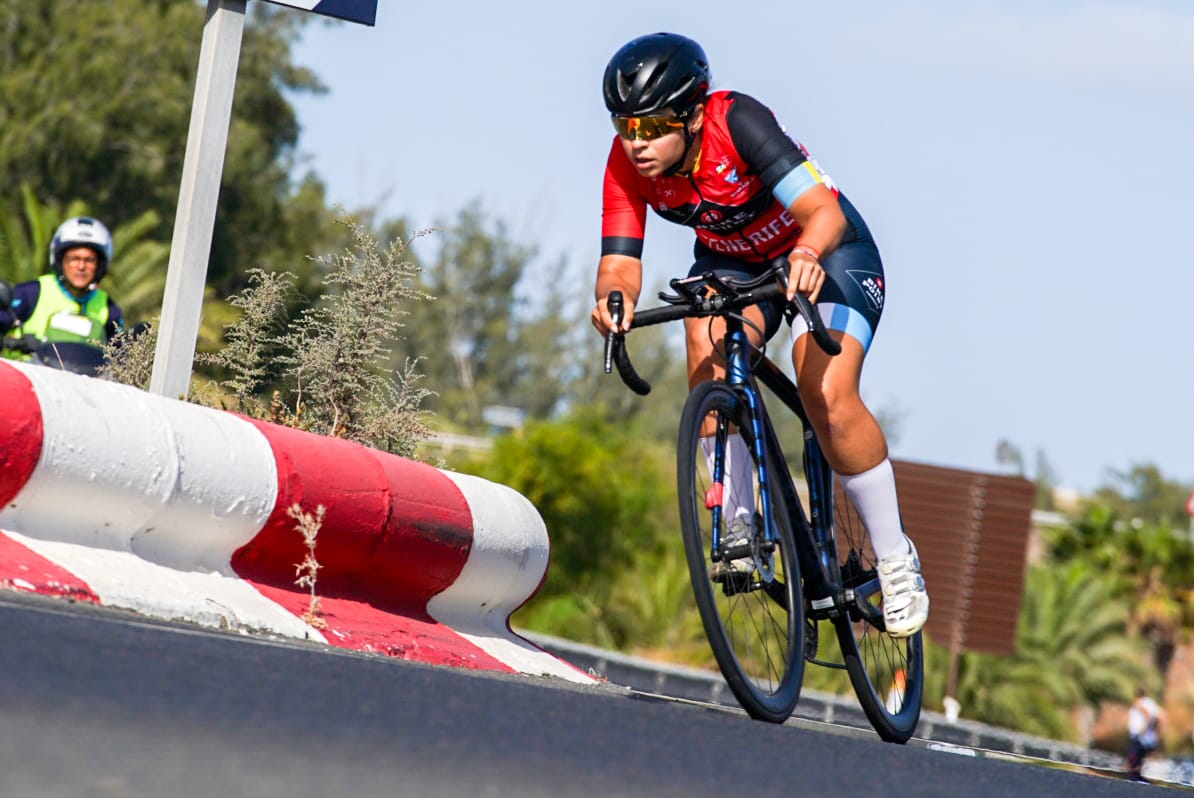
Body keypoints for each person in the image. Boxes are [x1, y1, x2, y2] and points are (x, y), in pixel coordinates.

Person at [590, 32, 928, 637]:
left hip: (828, 252)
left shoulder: (737, 121)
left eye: (653, 127)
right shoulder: (626, 164)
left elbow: (824, 211)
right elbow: (619, 260)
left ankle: (897, 560)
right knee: (704, 336)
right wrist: (612, 301)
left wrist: (804, 253)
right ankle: (740, 520)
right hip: (734, 264)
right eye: (626, 127)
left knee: (825, 393)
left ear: (692, 115)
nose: (637, 144)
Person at [0, 216, 125, 359]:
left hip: (83, 381)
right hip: (29, 377)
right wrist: (13, 342)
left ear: (100, 265)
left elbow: (120, 356)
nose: (81, 266)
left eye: (89, 260)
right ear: (60, 260)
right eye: (74, 259)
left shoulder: (108, 308)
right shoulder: (32, 293)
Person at [1125, 688, 1165, 781]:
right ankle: (1137, 780)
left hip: (1138, 736)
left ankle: (1132, 781)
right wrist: (1158, 734)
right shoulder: (1150, 703)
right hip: (1146, 738)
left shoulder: (1139, 703)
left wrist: (1143, 729)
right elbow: (1162, 717)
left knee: (1131, 760)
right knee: (1138, 761)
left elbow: (1146, 714)